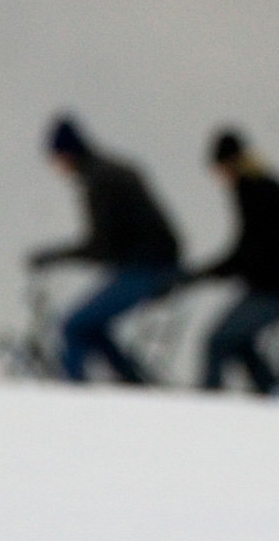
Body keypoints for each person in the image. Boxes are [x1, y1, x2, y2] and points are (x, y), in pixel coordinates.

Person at [30, 114, 182, 384]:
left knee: (73, 327)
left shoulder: (98, 181)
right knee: (91, 327)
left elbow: (100, 246)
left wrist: (52, 257)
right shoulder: (111, 170)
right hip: (155, 263)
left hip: (147, 267)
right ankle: (136, 385)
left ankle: (71, 392)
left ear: (66, 153)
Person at [192, 127, 279, 393]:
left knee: (217, 341)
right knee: (239, 341)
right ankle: (277, 398)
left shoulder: (253, 189)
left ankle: (205, 409)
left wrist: (203, 274)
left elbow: (249, 248)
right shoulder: (261, 183)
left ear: (227, 164)